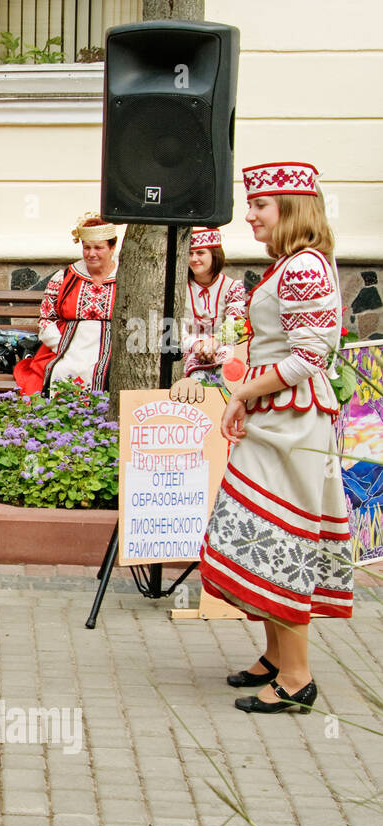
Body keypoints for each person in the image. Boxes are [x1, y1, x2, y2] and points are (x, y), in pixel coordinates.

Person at [198, 161, 353, 714]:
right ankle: (273, 656)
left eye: (260, 205)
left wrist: (240, 395)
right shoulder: (295, 264)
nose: (250, 214)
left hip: (291, 427)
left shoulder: (304, 266)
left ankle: (297, 677)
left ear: (291, 207)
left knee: (277, 540)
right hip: (279, 422)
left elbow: (310, 357)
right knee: (254, 535)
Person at [13, 213, 118, 395]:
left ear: (112, 247)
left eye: (98, 248)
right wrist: (62, 346)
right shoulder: (65, 278)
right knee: (61, 371)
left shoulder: (125, 279)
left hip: (109, 348)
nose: (91, 254)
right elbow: (46, 319)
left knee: (104, 374)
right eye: (86, 247)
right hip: (66, 345)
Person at [181, 227, 250, 386]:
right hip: (188, 351)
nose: (194, 259)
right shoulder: (180, 287)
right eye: (190, 253)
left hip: (223, 350)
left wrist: (214, 343)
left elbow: (235, 323)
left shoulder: (232, 287)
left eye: (200, 253)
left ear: (214, 254)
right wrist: (197, 345)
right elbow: (176, 327)